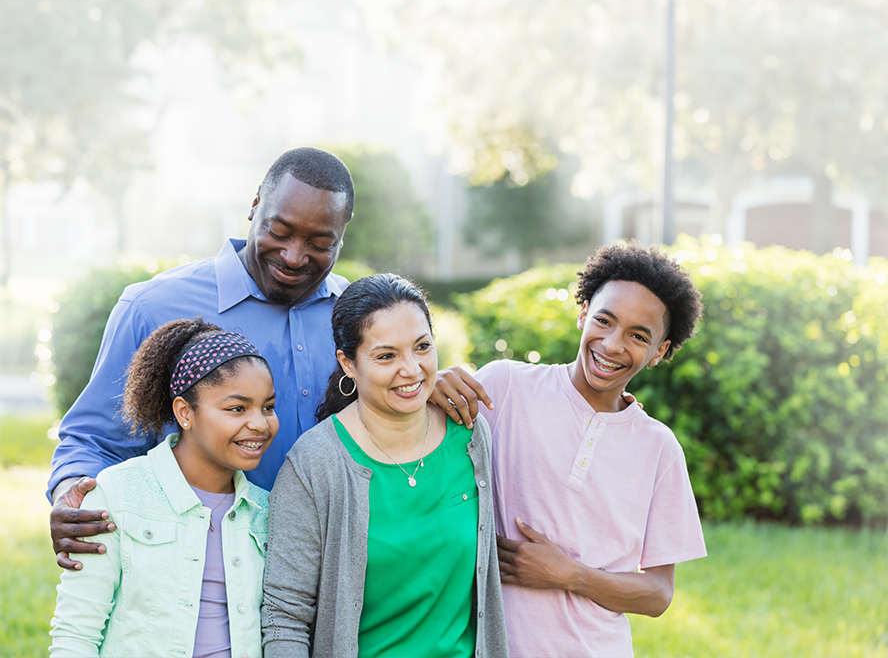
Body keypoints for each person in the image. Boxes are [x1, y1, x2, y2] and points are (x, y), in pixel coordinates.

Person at [49, 145, 354, 571]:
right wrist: (70, 493)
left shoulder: (358, 318)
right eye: (280, 231)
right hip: (195, 579)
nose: (294, 256)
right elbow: (94, 440)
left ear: (342, 235)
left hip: (332, 575)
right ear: (254, 206)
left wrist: (431, 387)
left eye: (321, 243)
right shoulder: (152, 307)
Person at [436, 242, 707, 658]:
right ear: (583, 313)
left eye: (639, 336)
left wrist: (570, 575)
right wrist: (430, 386)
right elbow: (422, 462)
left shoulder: (659, 449)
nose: (614, 344)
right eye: (604, 320)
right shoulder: (506, 387)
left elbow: (657, 593)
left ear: (660, 353)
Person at [261, 274, 508, 658]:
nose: (410, 370)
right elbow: (284, 617)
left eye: (422, 347)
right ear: (348, 363)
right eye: (386, 356)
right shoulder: (315, 464)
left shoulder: (471, 437)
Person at [49, 316, 277, 658]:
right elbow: (76, 634)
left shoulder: (267, 510)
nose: (259, 424)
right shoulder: (116, 494)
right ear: (185, 413)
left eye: (268, 407)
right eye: (237, 408)